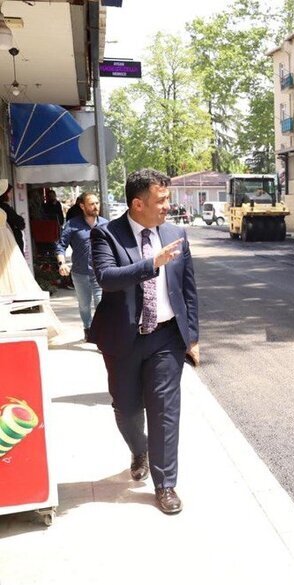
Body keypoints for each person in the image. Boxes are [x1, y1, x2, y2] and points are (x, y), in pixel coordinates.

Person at [90, 168, 199, 515]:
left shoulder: (176, 233)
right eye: (161, 200)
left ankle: (165, 485)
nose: (168, 206)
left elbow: (187, 290)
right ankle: (140, 449)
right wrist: (152, 263)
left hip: (166, 337)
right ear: (138, 204)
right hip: (123, 338)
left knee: (165, 411)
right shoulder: (107, 234)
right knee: (126, 408)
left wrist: (192, 336)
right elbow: (107, 278)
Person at [55, 192, 106, 342]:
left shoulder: (105, 224)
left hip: (100, 273)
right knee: (84, 305)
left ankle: (100, 334)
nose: (96, 206)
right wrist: (62, 263)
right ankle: (87, 328)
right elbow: (61, 246)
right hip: (80, 273)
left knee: (101, 303)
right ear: (82, 206)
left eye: (97, 203)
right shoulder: (72, 224)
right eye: (92, 204)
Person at [0, 182, 25, 257]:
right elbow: (20, 224)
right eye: (10, 192)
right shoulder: (5, 208)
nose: (11, 195)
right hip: (10, 240)